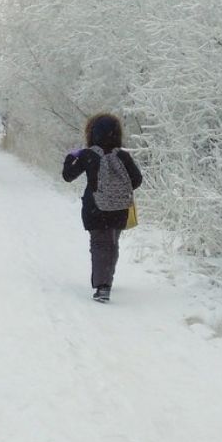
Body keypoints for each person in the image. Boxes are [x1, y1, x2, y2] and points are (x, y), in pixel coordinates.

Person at [62, 113, 144, 304]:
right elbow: (137, 180)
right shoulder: (122, 155)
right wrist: (117, 191)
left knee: (99, 244)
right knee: (112, 243)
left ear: (92, 132)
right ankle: (107, 281)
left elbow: (68, 176)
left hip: (95, 207)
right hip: (119, 208)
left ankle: (103, 287)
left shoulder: (88, 155)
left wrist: (71, 157)